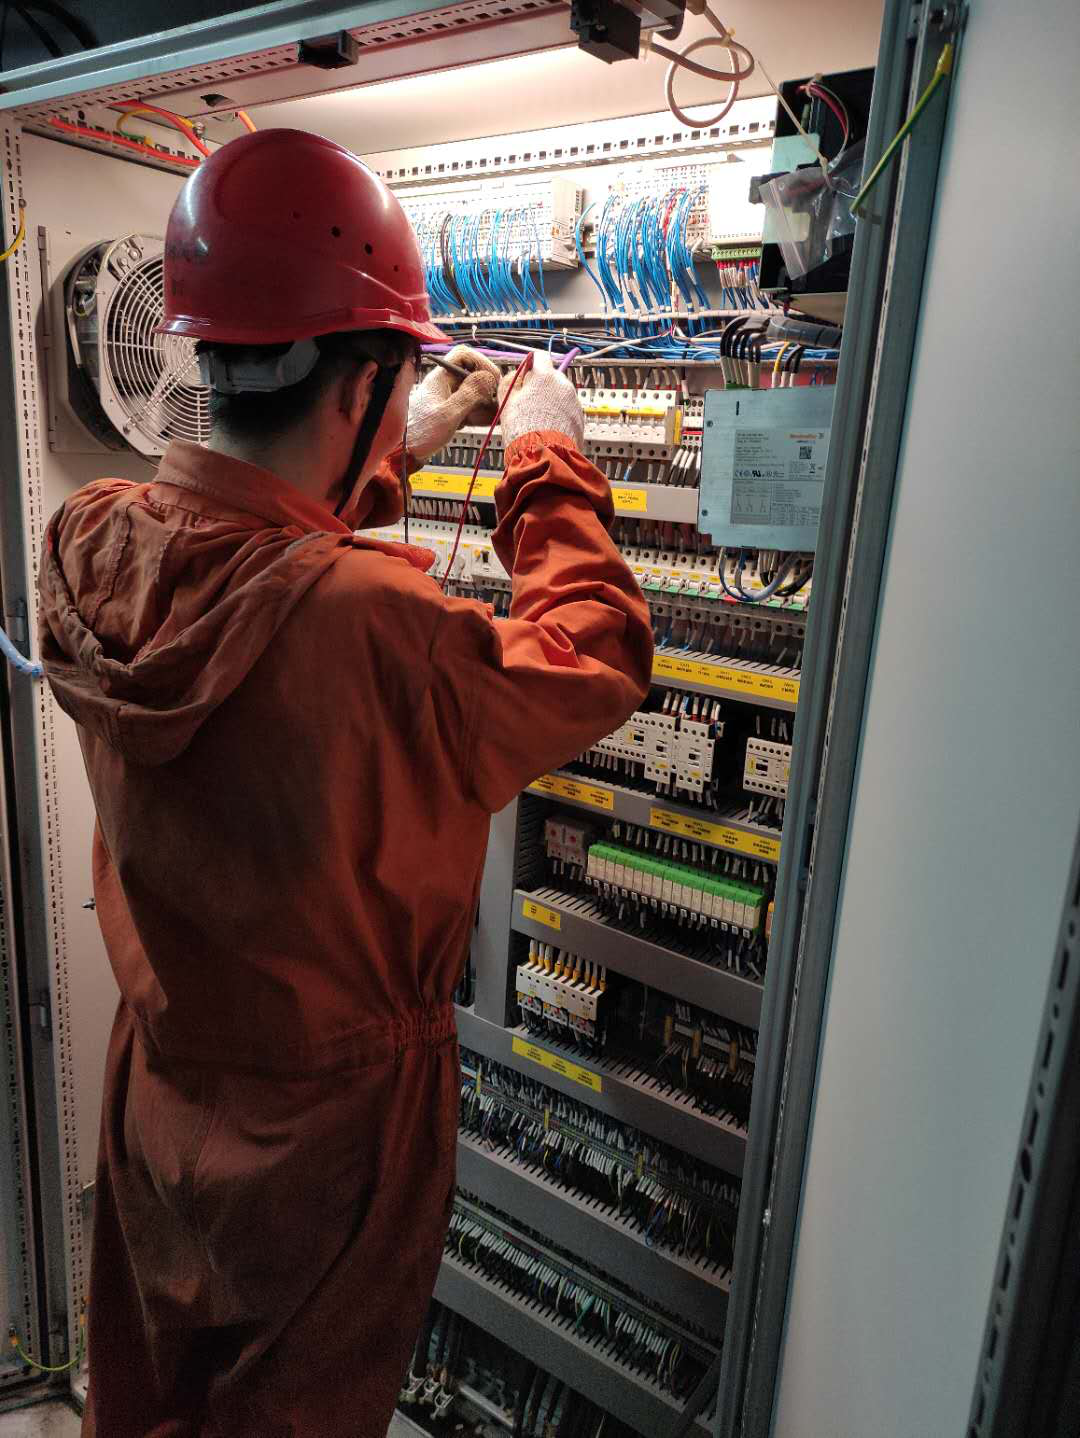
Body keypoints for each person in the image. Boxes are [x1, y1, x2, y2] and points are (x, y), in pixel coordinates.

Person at [37, 128, 652, 1438]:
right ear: (355, 384)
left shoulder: (92, 542)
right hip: (331, 1136)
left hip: (163, 1092)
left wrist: (397, 445)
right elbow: (591, 657)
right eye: (400, 378)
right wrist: (545, 458)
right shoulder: (381, 624)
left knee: (152, 1402)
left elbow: (243, 545)